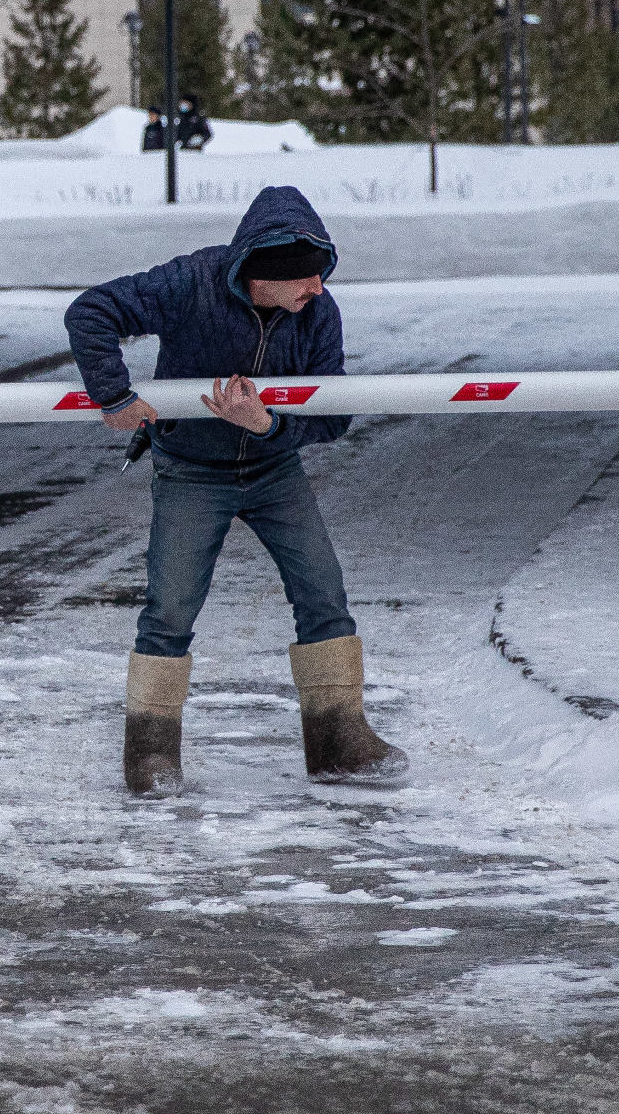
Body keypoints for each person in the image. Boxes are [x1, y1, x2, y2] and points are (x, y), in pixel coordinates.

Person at [64, 187, 402, 794]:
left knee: (324, 594)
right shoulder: (190, 282)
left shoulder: (318, 313)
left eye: (321, 276)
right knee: (169, 612)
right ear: (262, 275)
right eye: (305, 277)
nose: (318, 290)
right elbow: (90, 312)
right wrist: (113, 394)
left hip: (275, 471)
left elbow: (336, 413)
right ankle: (151, 761)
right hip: (190, 470)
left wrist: (268, 425)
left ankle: (339, 743)